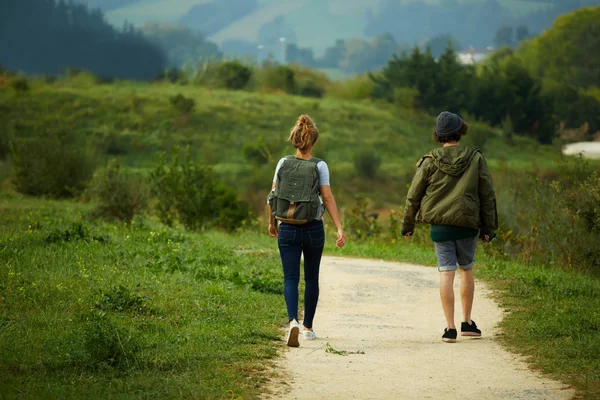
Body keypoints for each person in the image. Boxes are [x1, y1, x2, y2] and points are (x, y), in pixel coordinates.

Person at [401, 111, 498, 343]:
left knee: (446, 272)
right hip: (467, 225)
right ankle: (467, 322)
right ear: (461, 130)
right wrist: (488, 228)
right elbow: (487, 194)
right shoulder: (475, 158)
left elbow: (413, 196)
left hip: (440, 228)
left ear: (438, 134)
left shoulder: (430, 161)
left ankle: (450, 328)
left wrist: (408, 224)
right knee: (466, 269)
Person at [268, 115, 346, 347]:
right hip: (312, 228)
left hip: (287, 227)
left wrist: (272, 222)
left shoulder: (283, 163)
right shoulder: (319, 165)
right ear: (313, 142)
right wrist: (340, 227)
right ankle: (308, 328)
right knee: (311, 277)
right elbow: (328, 197)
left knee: (290, 278)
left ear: (295, 140)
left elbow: (272, 196)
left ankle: (292, 320)